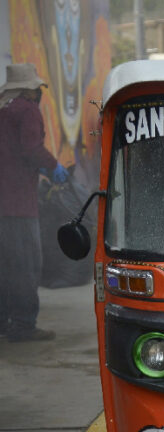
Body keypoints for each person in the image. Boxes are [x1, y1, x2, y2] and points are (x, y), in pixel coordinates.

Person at [0, 63, 68, 342]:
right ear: (29, 89)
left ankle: (3, 323)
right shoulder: (26, 110)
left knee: (4, 266)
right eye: (37, 88)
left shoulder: (2, 109)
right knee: (26, 265)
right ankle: (24, 325)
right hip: (18, 204)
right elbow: (31, 149)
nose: (38, 93)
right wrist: (53, 166)